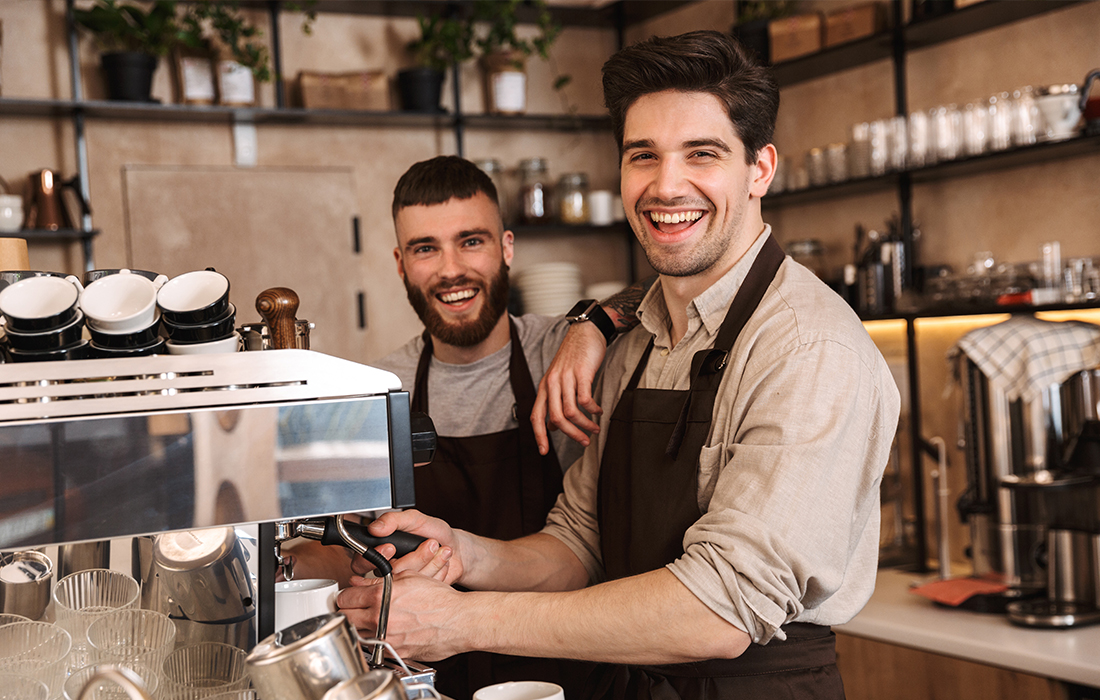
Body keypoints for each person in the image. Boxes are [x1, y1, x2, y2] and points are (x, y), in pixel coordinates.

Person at [339, 31, 901, 700]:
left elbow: (721, 609)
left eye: (703, 153)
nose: (666, 186)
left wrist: (462, 619)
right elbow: (580, 543)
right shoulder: (635, 340)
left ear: (760, 169)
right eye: (643, 156)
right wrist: (462, 550)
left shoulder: (809, 350)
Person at [284, 155, 645, 699]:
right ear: (401, 264)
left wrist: (593, 324)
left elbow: (666, 291)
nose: (451, 269)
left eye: (470, 241)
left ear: (506, 247)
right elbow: (344, 542)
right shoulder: (379, 389)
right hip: (433, 677)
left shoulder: (564, 352)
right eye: (426, 248)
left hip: (571, 671)